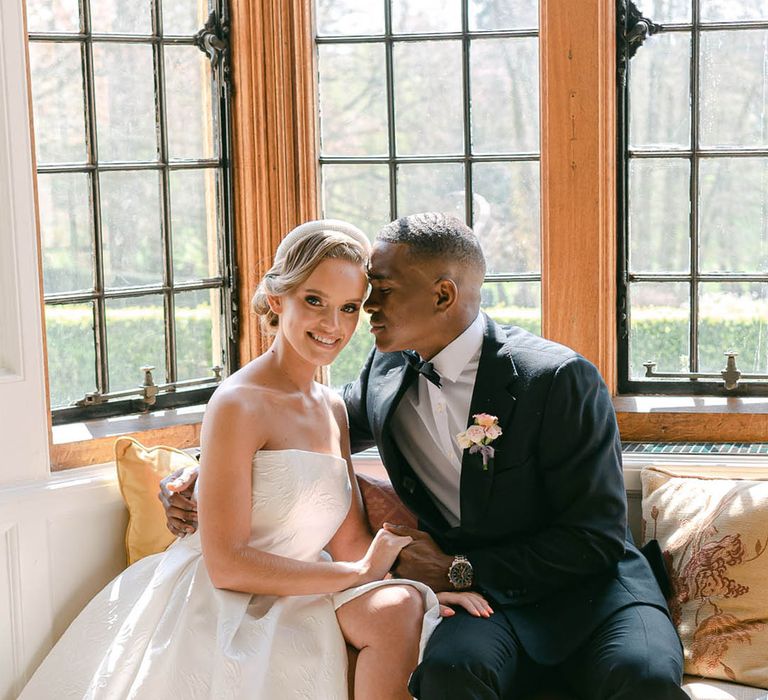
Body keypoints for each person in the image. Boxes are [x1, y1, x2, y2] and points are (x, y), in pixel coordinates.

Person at [162, 213, 688, 699]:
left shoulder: (555, 379)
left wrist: (457, 568)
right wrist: (199, 472)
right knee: (447, 675)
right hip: (490, 607)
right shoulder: (384, 373)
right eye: (348, 299)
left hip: (593, 596)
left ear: (442, 295)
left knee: (641, 677)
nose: (365, 309)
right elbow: (295, 432)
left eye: (380, 291)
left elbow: (593, 537)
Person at [20, 220, 488, 700]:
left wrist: (419, 590)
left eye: (349, 308)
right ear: (276, 298)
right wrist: (357, 575)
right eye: (314, 301)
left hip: (308, 581)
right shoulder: (238, 402)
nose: (332, 325)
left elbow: (350, 541)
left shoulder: (332, 408)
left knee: (401, 607)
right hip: (228, 597)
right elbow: (227, 566)